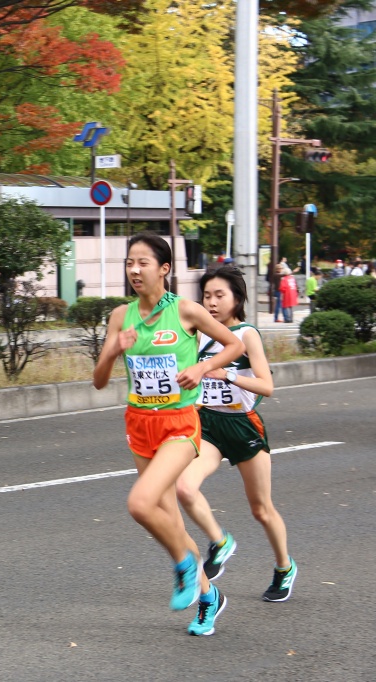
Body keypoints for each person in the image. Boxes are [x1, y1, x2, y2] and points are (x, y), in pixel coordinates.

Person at [93, 232, 244, 636]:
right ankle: (210, 596)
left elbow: (232, 344)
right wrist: (111, 350)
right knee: (172, 523)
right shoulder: (120, 317)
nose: (134, 270)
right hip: (139, 424)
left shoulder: (187, 311)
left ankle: (183, 568)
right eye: (129, 262)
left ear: (164, 269)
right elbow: (98, 380)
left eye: (143, 262)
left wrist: (201, 368)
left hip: (179, 423)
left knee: (141, 504)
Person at [176, 265, 297, 602]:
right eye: (207, 295)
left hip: (243, 425)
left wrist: (227, 375)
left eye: (220, 295)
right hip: (209, 424)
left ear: (237, 299)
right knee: (184, 487)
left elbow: (267, 386)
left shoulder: (246, 335)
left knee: (261, 509)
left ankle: (284, 567)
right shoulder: (198, 333)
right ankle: (220, 540)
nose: (211, 302)